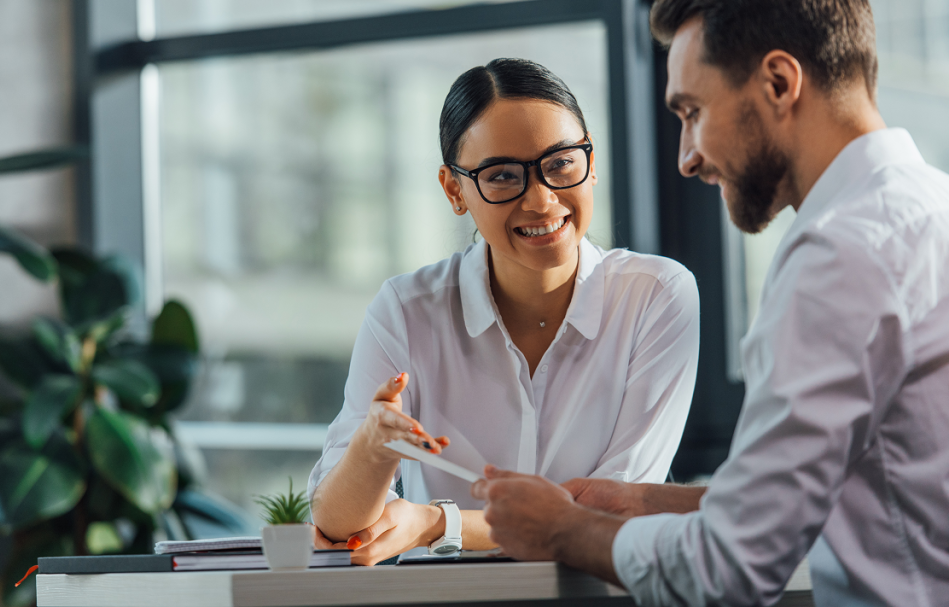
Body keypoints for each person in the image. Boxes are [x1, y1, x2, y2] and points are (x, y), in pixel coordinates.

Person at [472, 1, 949, 606]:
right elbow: (879, 488)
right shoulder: (928, 207)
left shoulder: (839, 257)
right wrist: (646, 501)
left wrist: (561, 529)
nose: (687, 157)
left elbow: (729, 568)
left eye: (693, 112)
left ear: (779, 83)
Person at [307, 58, 701, 566]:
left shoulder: (657, 296)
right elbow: (336, 525)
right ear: (455, 190)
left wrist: (439, 523)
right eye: (502, 176)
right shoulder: (405, 310)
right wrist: (372, 449)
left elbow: (616, 507)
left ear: (591, 158)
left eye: (561, 163)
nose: (541, 200)